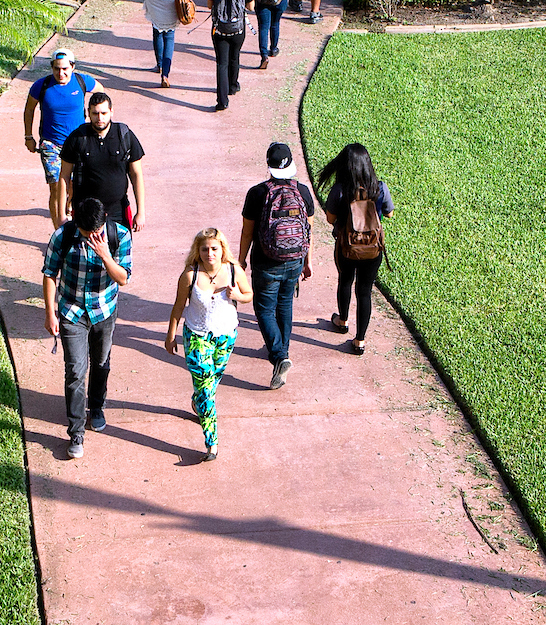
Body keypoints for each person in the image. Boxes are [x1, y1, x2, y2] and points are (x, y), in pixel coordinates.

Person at [42, 197, 132, 459]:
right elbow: (49, 273)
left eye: (94, 232)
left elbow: (123, 278)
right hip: (72, 311)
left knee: (101, 363)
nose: (90, 237)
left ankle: (97, 406)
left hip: (104, 310)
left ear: (104, 221)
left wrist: (105, 255)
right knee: (75, 371)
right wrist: (50, 313)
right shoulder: (63, 235)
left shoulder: (120, 235)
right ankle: (76, 431)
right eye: (85, 233)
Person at [165, 227, 253, 460]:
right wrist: (170, 335)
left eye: (214, 248)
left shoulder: (234, 270)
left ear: (222, 249)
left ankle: (197, 401)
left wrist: (237, 296)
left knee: (211, 382)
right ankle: (211, 443)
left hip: (226, 336)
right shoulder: (189, 275)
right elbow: (178, 306)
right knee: (206, 389)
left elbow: (248, 294)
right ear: (198, 251)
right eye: (204, 249)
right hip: (196, 336)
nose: (209, 253)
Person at [239, 143, 314, 388]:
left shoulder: (257, 193)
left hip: (266, 262)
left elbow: (247, 232)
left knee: (264, 310)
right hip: (294, 260)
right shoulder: (302, 191)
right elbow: (308, 231)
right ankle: (283, 350)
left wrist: (240, 260)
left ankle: (279, 356)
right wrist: (307, 262)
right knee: (285, 305)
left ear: (268, 165)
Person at [316, 143, 394, 355]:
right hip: (373, 249)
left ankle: (342, 320)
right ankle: (360, 340)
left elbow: (330, 218)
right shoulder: (380, 187)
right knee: (364, 292)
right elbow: (389, 214)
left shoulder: (340, 190)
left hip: (346, 247)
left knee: (345, 281)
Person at [23, 49, 104, 227]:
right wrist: (28, 136)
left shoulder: (82, 81)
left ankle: (67, 207)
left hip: (78, 144)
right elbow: (29, 109)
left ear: (73, 67)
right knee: (56, 186)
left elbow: (101, 94)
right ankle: (59, 232)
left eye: (65, 69)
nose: (61, 73)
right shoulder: (41, 86)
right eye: (57, 69)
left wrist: (96, 119)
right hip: (51, 145)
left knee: (75, 187)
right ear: (52, 68)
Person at [59, 92, 146, 232]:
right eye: (95, 113)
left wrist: (141, 212)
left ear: (111, 112)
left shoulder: (124, 135)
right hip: (85, 211)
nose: (100, 118)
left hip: (118, 210)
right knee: (83, 253)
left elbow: (136, 175)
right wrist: (61, 215)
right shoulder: (77, 138)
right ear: (88, 113)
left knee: (119, 252)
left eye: (104, 113)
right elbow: (64, 176)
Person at [205, 0, 253, 111]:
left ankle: (222, 100)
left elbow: (210, 5)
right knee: (235, 56)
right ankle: (233, 85)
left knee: (221, 62)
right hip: (238, 29)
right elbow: (251, 7)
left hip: (219, 30)